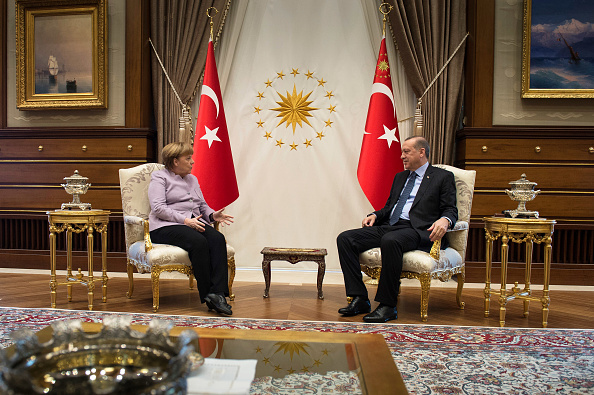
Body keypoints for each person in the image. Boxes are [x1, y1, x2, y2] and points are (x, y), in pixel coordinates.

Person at [337, 136, 457, 322]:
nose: (402, 156)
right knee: (345, 238)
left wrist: (445, 220)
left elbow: (451, 208)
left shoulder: (442, 177)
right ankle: (359, 298)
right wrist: (376, 215)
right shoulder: (400, 177)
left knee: (391, 241)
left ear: (421, 152)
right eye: (402, 152)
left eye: (406, 151)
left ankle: (387, 306)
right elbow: (390, 207)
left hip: (418, 230)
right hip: (392, 226)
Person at [148, 142, 235, 315]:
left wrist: (212, 216)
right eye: (188, 158)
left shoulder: (192, 179)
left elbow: (202, 205)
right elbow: (158, 208)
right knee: (198, 242)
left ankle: (217, 293)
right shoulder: (159, 177)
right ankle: (207, 293)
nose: (192, 162)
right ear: (175, 161)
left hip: (192, 223)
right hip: (165, 226)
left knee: (218, 239)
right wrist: (185, 220)